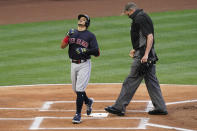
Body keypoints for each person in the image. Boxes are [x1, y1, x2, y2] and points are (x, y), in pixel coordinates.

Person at [105, 2, 168, 116]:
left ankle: (119, 107)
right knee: (151, 81)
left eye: (127, 13)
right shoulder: (141, 16)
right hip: (146, 52)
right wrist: (135, 49)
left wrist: (145, 54)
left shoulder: (140, 18)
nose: (127, 15)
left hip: (144, 55)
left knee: (131, 80)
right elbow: (142, 37)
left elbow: (150, 36)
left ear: (130, 10)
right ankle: (160, 107)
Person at [61, 14, 100, 124]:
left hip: (84, 65)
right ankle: (88, 101)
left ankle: (78, 114)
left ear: (87, 23)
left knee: (79, 90)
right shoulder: (72, 33)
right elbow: (62, 46)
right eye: (80, 19)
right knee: (76, 90)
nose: (81, 20)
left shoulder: (90, 36)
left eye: (83, 19)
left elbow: (97, 52)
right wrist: (67, 36)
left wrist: (85, 51)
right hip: (73, 64)